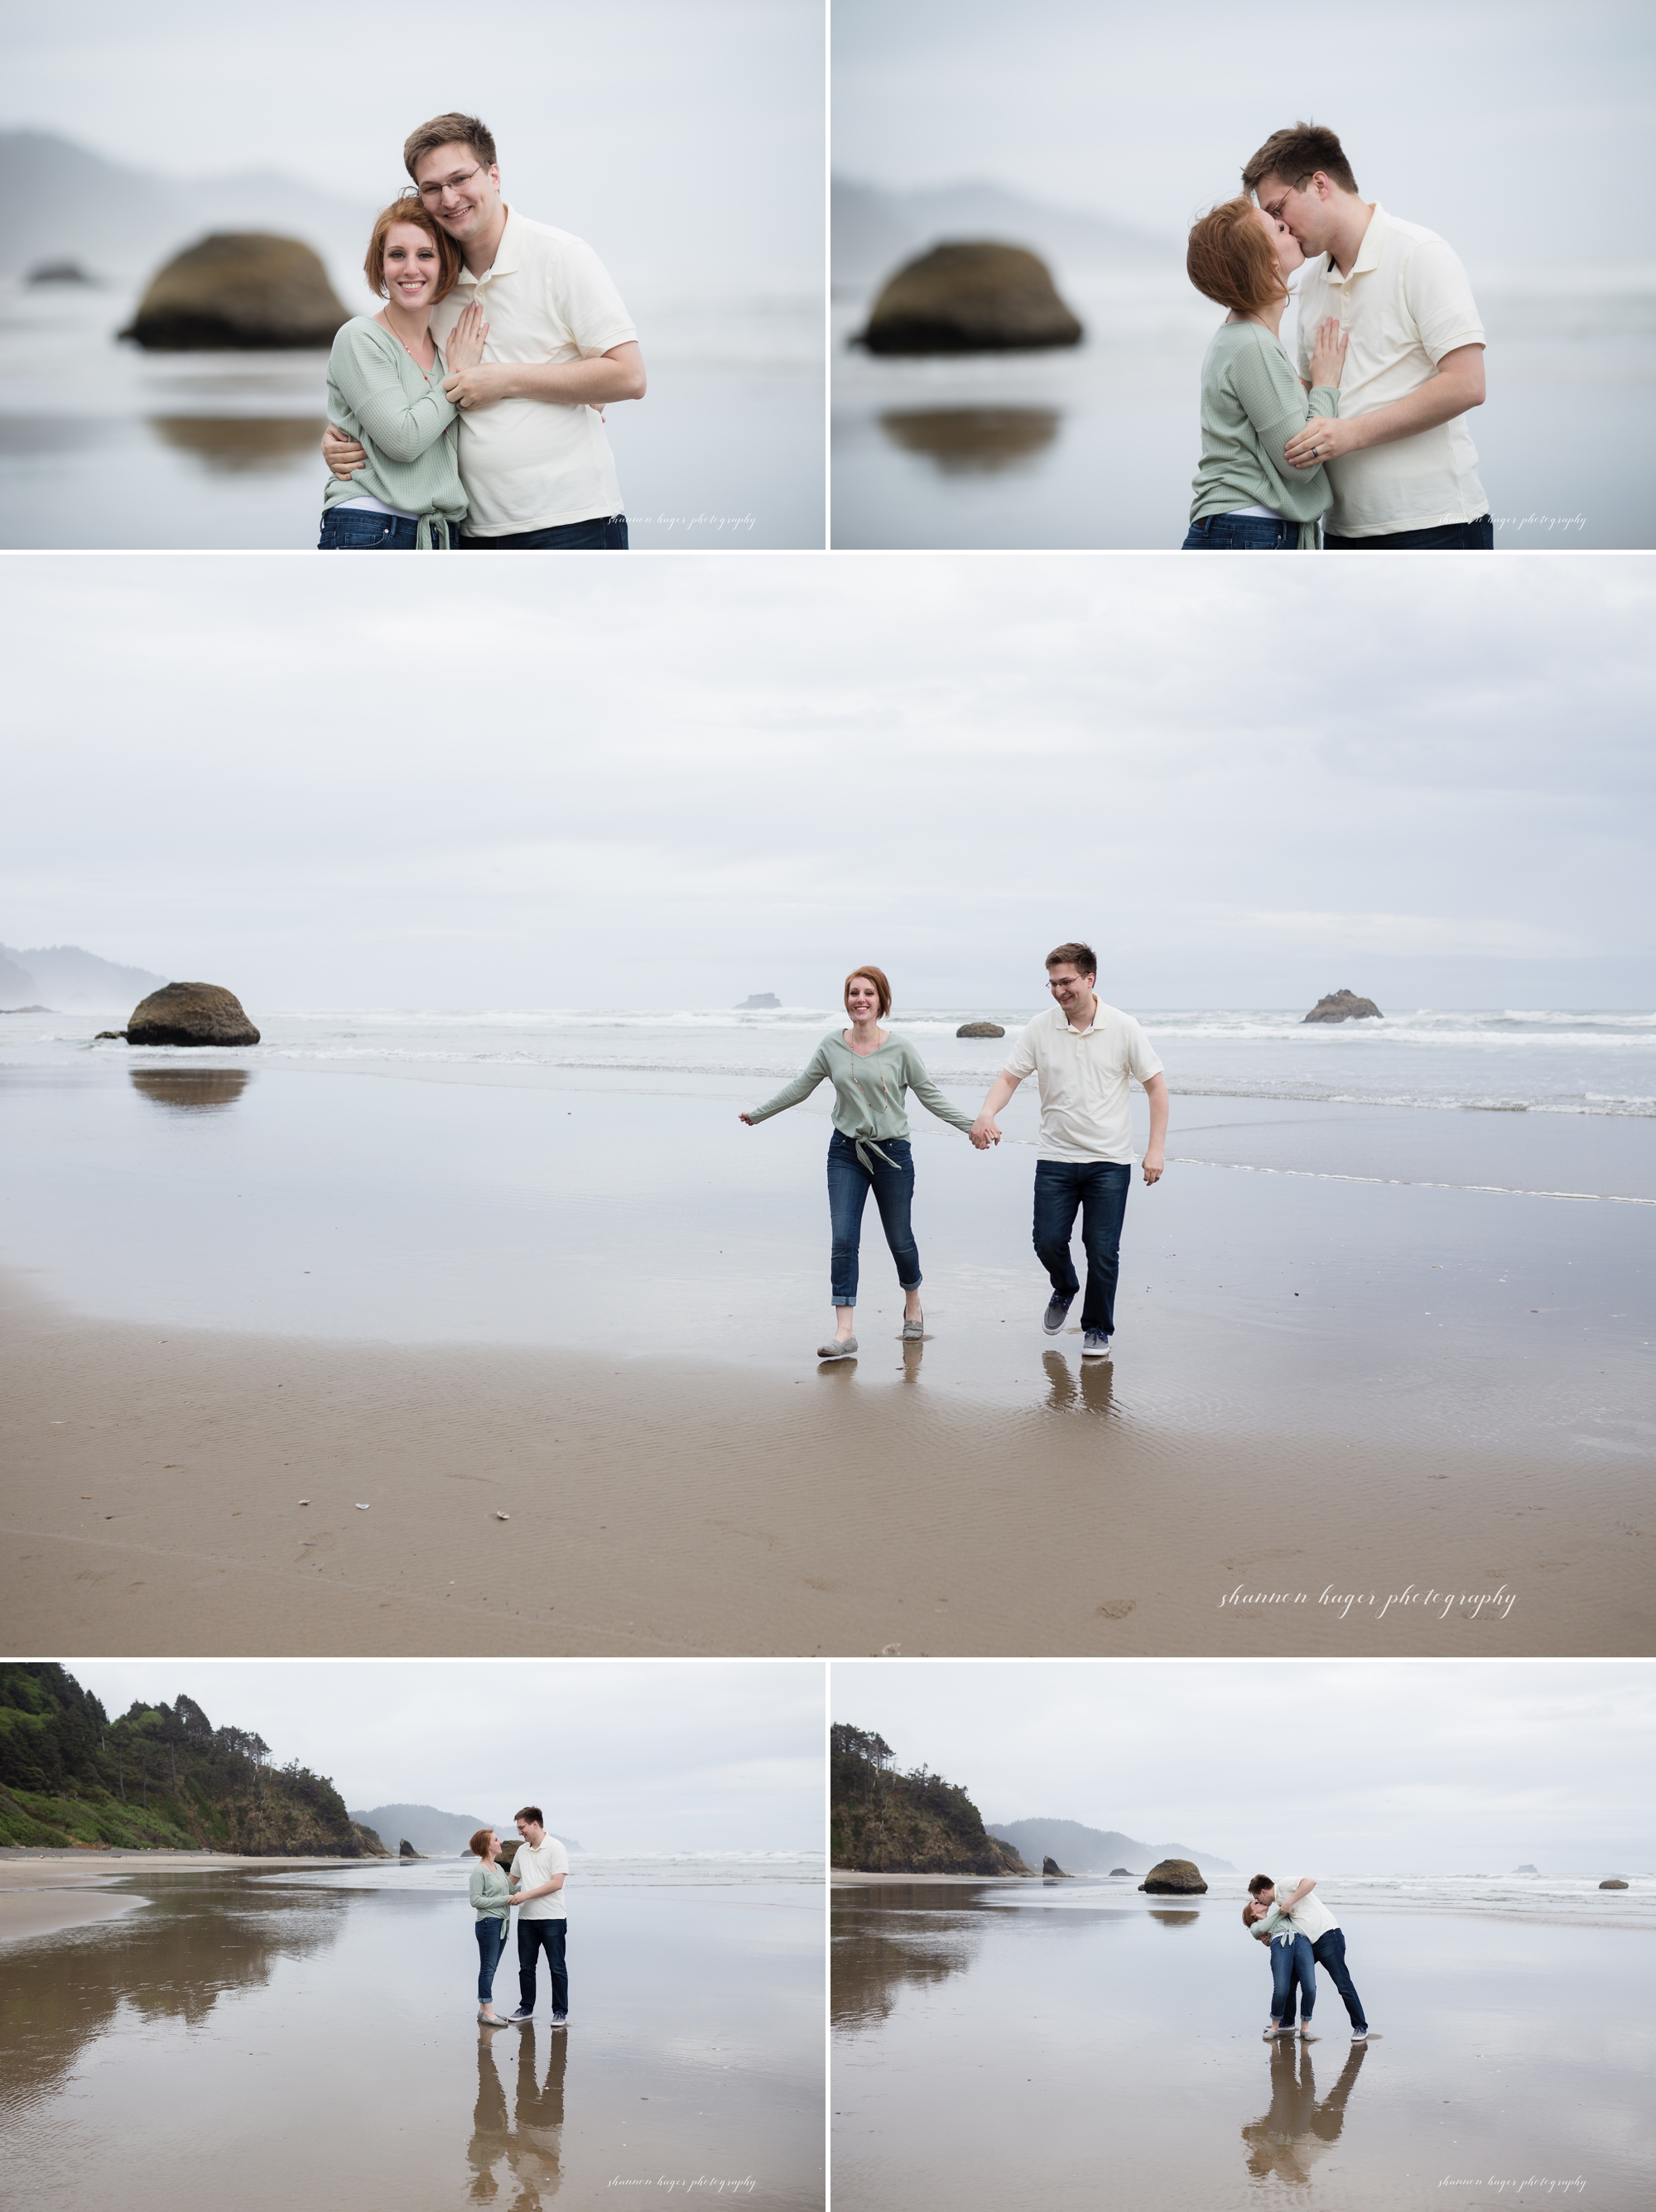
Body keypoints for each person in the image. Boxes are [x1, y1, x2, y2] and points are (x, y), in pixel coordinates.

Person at [324, 113, 646, 549]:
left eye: (460, 178)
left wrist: (506, 379)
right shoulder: (435, 282)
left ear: (494, 175)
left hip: (571, 518)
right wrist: (345, 436)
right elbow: (395, 384)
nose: (449, 197)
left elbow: (629, 376)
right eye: (432, 187)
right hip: (469, 529)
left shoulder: (560, 256)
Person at [1241, 122, 1490, 549]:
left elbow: (1467, 384)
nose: (1279, 226)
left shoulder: (1419, 253)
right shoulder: (1309, 282)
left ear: (1320, 184)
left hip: (1437, 523)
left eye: (1278, 209)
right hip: (1341, 530)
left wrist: (1351, 433)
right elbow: (1314, 398)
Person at [741, 966, 978, 1361]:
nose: (861, 999)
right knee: (843, 1239)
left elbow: (931, 1096)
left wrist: (973, 1126)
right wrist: (759, 1113)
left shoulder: (901, 1049)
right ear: (847, 1000)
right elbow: (800, 1087)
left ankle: (913, 1303)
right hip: (845, 1152)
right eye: (854, 993)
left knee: (899, 1239)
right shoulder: (831, 1046)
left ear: (882, 1000)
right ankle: (845, 1331)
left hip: (893, 1155)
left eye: (869, 993)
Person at [970, 944, 1167, 1363]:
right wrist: (987, 1112)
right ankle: (1064, 1286)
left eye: (1066, 982)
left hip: (1109, 1162)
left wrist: (1155, 1150)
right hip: (1056, 1158)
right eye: (1053, 983)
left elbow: (1156, 1088)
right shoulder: (1040, 1028)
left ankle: (1097, 1327)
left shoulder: (1124, 1027)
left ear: (1089, 979)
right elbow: (1009, 1078)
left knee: (1102, 1249)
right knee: (1047, 1241)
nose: (1059, 991)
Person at [319, 199, 487, 550]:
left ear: (444, 265)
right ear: (380, 266)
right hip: (371, 525)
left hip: (441, 534)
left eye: (425, 255)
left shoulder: (447, 346)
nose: (411, 269)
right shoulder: (360, 337)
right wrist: (457, 378)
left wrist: (581, 397)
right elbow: (402, 440)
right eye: (397, 255)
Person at [1182, 200, 1349, 548]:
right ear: (1269, 261)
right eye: (1279, 228)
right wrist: (1325, 385)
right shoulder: (1252, 345)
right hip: (1249, 528)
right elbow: (1300, 462)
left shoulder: (1239, 338)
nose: (1289, 225)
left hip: (1239, 526)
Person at [1246, 1873, 1370, 2040]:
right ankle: (1287, 2021)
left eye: (1257, 1898)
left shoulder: (1284, 1885)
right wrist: (1268, 1939)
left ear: (1263, 1892)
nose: (1259, 1901)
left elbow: (1311, 1882)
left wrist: (1290, 1901)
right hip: (1308, 1942)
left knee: (1343, 1984)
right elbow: (1286, 1925)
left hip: (1327, 1937)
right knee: (1291, 1980)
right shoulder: (1280, 1903)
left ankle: (1360, 2026)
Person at [501, 1806, 570, 2026]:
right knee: (526, 1968)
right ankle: (526, 2008)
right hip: (526, 1920)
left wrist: (525, 1895)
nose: (519, 1832)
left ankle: (560, 2012)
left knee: (557, 1968)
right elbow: (511, 1881)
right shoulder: (522, 1851)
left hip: (553, 1918)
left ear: (535, 1824)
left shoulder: (556, 1847)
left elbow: (556, 1883)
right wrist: (488, 1890)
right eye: (518, 1828)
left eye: (522, 1827)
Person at [469, 1825, 523, 2025]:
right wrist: (504, 1899)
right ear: (487, 1846)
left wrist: (535, 1884)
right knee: (488, 1968)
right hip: (488, 1924)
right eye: (496, 1840)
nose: (500, 1842)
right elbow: (475, 1901)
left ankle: (482, 2010)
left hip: (501, 1924)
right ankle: (489, 2012)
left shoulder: (498, 1868)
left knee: (490, 1968)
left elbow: (511, 1889)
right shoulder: (479, 1871)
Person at [1244, 1891, 1318, 2037]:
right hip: (1280, 1945)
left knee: (1310, 1987)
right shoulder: (1256, 1926)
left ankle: (1305, 2028)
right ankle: (1274, 2027)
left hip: (1302, 1942)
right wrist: (1281, 1911)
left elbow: (1292, 1909)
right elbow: (1261, 1928)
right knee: (1281, 1989)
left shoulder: (1280, 1915)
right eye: (1256, 1903)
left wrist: (1284, 1909)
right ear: (1253, 1913)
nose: (1260, 1901)